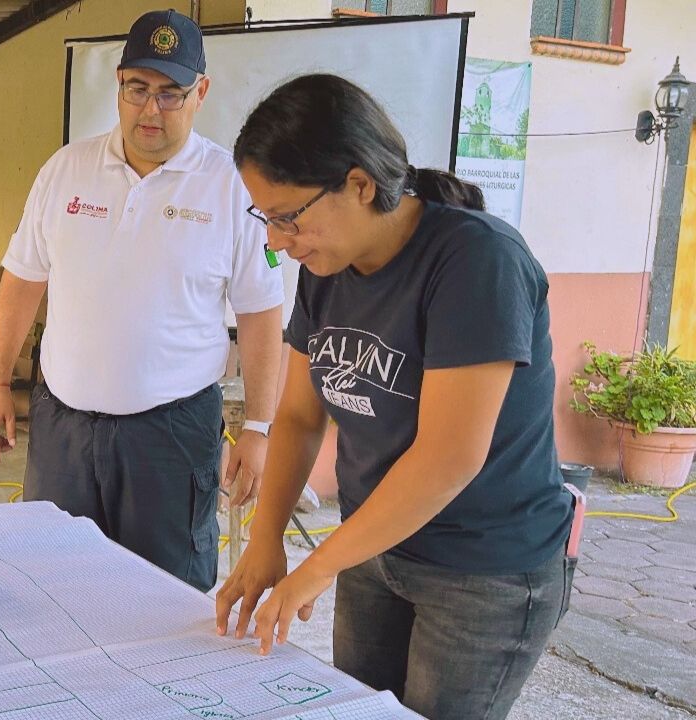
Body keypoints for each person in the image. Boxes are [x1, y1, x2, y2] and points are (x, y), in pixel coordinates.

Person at [215, 74, 573, 720]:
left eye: (287, 216)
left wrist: (318, 565)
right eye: (264, 217)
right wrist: (267, 537)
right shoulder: (326, 270)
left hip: (483, 569)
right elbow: (298, 417)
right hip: (376, 547)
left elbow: (447, 458)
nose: (274, 241)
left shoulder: (475, 262)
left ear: (360, 184)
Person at [0, 9, 284, 592]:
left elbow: (260, 312)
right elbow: (22, 280)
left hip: (170, 434)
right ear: (118, 83)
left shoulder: (231, 186)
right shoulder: (65, 170)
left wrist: (261, 427)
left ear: (202, 92)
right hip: (63, 427)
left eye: (171, 94)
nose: (152, 110)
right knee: (54, 582)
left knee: (164, 595)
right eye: (138, 89)